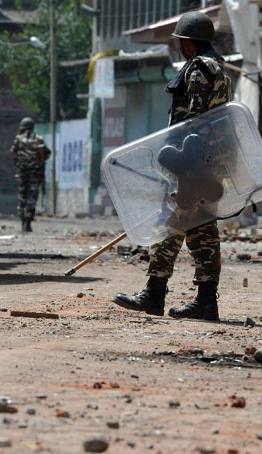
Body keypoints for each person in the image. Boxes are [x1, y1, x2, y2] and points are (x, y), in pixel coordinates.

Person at [112, 11, 232, 321]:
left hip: (191, 164)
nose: (179, 46)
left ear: (189, 42)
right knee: (202, 231)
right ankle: (205, 301)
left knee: (169, 224)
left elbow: (191, 123)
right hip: (207, 165)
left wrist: (176, 164)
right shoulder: (217, 67)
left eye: (181, 41)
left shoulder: (198, 71)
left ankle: (155, 294)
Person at [10, 117, 50, 233]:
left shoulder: (18, 139)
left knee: (22, 196)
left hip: (22, 173)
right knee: (32, 196)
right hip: (35, 173)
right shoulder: (39, 140)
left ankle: (23, 220)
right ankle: (28, 221)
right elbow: (47, 155)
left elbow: (13, 152)